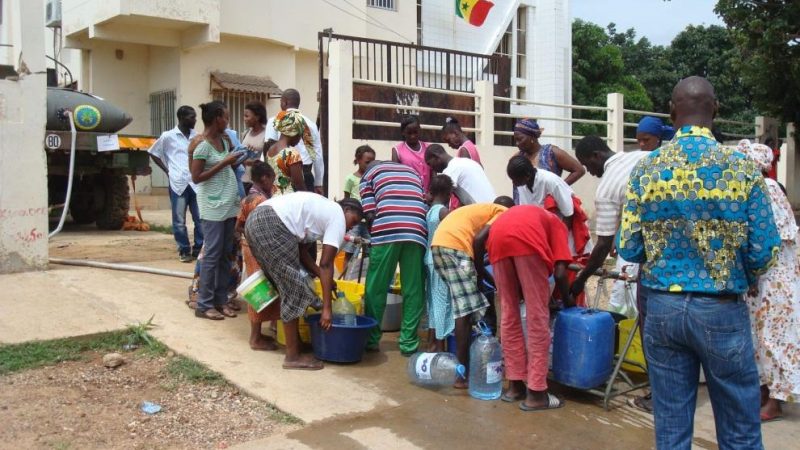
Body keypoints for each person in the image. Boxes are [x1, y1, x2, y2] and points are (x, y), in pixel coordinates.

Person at [617, 76, 780, 450]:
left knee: (671, 429)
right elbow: (765, 251)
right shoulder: (741, 169)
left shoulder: (645, 170)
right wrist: (739, 271)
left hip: (662, 308)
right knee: (739, 429)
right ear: (716, 110)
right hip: (721, 309)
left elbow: (629, 247)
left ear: (672, 113)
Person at [245, 193, 364, 370]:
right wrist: (326, 310)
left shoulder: (322, 209)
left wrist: (324, 277)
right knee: (294, 289)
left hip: (256, 221)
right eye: (353, 221)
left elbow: (302, 252)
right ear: (346, 210)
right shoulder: (337, 215)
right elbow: (326, 264)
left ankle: (293, 344)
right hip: (272, 224)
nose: (350, 228)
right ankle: (292, 357)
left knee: (284, 284)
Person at [738, 139, 800, 422]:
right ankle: (764, 392)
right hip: (760, 280)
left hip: (774, 279)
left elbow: (769, 239)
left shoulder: (768, 189)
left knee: (774, 339)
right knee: (757, 339)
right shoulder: (753, 188)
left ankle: (776, 400)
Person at [488, 204, 572, 411]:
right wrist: (569, 301)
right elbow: (561, 272)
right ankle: (536, 393)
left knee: (509, 313)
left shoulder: (533, 213)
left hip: (497, 238)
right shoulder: (558, 225)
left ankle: (514, 386)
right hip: (525, 241)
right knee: (537, 316)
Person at [570, 136, 649, 315]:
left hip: (641, 253)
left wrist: (581, 279)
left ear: (596, 156)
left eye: (587, 164)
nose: (588, 171)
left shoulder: (607, 188)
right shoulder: (639, 156)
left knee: (626, 303)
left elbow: (603, 245)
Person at [431, 202, 507, 387]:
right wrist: (480, 276)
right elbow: (479, 240)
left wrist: (487, 280)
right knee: (464, 311)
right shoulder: (504, 212)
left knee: (466, 305)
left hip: (439, 246)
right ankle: (462, 375)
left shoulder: (481, 210)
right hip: (456, 247)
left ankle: (465, 368)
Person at [359, 161, 428, 355]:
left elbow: (370, 213)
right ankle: (408, 343)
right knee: (413, 289)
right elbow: (421, 201)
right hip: (416, 229)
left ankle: (371, 340)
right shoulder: (413, 171)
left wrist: (375, 237)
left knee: (376, 286)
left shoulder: (368, 175)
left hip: (387, 228)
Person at [188, 101, 242, 321]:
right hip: (212, 207)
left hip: (228, 204)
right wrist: (224, 162)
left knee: (224, 256)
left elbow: (225, 166)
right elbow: (196, 177)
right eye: (226, 118)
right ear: (217, 118)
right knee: (211, 255)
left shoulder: (224, 140)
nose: (227, 122)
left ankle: (220, 300)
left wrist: (237, 160)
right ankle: (204, 304)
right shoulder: (202, 146)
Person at [507, 155, 591, 259]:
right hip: (544, 232)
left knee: (565, 266)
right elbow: (528, 214)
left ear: (527, 176)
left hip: (565, 229)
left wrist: (559, 242)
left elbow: (569, 213)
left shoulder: (551, 181)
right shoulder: (522, 184)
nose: (513, 183)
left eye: (515, 179)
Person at [148, 105, 203, 262]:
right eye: (191, 117)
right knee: (179, 220)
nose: (194, 120)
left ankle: (198, 248)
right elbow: (153, 152)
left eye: (195, 117)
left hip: (195, 183)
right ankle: (184, 250)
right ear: (181, 118)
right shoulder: (168, 136)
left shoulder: (197, 136)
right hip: (178, 182)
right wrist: (167, 171)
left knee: (200, 218)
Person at [236, 161, 280, 351]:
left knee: (264, 288)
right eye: (272, 179)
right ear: (265, 178)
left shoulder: (250, 197)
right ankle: (255, 338)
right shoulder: (259, 201)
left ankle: (261, 331)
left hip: (250, 246)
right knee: (259, 290)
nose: (273, 183)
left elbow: (238, 227)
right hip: (258, 248)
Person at [264, 89, 324, 195]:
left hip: (278, 175)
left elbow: (267, 148)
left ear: (284, 102)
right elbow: (316, 155)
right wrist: (318, 183)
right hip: (305, 175)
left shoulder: (275, 121)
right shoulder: (309, 123)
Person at [425, 174, 455, 351]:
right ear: (448, 193)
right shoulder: (443, 212)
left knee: (432, 301)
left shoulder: (430, 210)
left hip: (430, 259)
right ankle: (439, 345)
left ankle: (432, 343)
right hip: (440, 261)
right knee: (442, 302)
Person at [513, 118, 585, 185]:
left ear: (532, 137)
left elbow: (579, 170)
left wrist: (559, 188)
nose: (517, 143)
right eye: (515, 140)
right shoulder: (517, 157)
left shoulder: (551, 153)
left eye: (520, 139)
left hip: (548, 198)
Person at [425, 144, 495, 205]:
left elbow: (437, 196)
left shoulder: (451, 169)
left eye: (429, 164)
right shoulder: (467, 162)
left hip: (484, 210)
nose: (431, 168)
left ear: (436, 156)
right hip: (493, 206)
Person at [341, 145, 376, 271]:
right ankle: (346, 280)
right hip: (354, 223)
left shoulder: (373, 179)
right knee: (349, 253)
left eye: (372, 162)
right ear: (358, 160)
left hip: (368, 222)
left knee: (369, 253)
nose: (369, 165)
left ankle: (365, 280)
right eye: (367, 162)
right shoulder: (350, 179)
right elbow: (346, 201)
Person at [265, 109, 308, 195]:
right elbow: (299, 185)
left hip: (273, 198)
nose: (300, 139)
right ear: (294, 133)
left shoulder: (270, 150)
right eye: (300, 135)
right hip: (288, 200)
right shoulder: (292, 154)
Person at [392, 115, 432, 192]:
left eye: (415, 132)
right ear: (403, 132)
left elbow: (433, 174)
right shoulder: (397, 151)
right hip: (409, 195)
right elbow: (396, 176)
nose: (413, 136)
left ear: (420, 130)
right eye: (409, 133)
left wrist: (431, 193)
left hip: (428, 196)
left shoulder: (429, 148)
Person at [240, 101, 268, 193]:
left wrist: (252, 162)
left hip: (258, 182)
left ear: (257, 117)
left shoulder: (266, 135)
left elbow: (268, 159)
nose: (244, 119)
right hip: (243, 180)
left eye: (247, 116)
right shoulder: (246, 133)